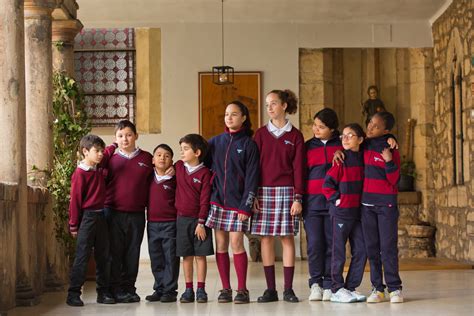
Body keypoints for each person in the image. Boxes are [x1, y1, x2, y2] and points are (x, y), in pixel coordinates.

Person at [251, 89, 305, 303]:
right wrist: (253, 194)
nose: (269, 108)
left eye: (273, 103)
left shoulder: (296, 135)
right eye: (267, 104)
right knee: (265, 239)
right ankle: (270, 290)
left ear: (284, 105)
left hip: (288, 193)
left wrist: (298, 197)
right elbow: (254, 167)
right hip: (263, 192)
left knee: (287, 238)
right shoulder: (260, 135)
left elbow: (299, 169)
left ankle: (288, 290)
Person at [205, 101, 259, 304]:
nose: (229, 118)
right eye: (227, 114)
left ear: (243, 117)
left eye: (234, 114)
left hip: (239, 204)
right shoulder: (215, 142)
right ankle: (225, 288)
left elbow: (253, 177)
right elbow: (199, 163)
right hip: (218, 201)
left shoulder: (249, 144)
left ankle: (242, 289)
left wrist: (246, 205)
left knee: (236, 243)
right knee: (221, 244)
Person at [105, 120, 154, 303]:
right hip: (113, 212)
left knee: (133, 252)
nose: (124, 139)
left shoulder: (147, 159)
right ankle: (116, 288)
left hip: (137, 213)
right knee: (115, 252)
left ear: (136, 136)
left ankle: (129, 288)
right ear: (115, 139)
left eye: (128, 135)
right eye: (120, 136)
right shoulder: (110, 159)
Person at [66, 135, 115, 307]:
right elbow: (75, 201)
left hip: (101, 216)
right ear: (85, 152)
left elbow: (109, 152)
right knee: (82, 257)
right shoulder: (80, 174)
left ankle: (103, 292)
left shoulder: (98, 169)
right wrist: (73, 225)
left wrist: (115, 143)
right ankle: (73, 294)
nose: (101, 154)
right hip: (87, 218)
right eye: (97, 151)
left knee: (104, 256)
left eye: (102, 151)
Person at [360, 111, 403, 303]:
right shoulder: (364, 145)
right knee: (372, 248)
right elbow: (347, 139)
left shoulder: (391, 149)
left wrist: (389, 161)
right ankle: (377, 289)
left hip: (386, 205)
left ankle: (395, 289)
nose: (370, 127)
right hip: (366, 205)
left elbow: (394, 180)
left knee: (387, 248)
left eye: (376, 126)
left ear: (386, 130)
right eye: (370, 122)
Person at [322, 123, 367, 303]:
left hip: (358, 213)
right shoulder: (340, 160)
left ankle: (350, 287)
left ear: (361, 140)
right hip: (341, 213)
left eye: (350, 135)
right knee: (338, 251)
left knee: (362, 250)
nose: (345, 139)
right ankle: (336, 288)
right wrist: (338, 200)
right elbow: (327, 185)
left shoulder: (364, 159)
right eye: (344, 136)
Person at [304, 108, 342, 302]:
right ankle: (316, 284)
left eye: (321, 127)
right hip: (311, 204)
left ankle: (329, 283)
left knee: (332, 244)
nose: (316, 129)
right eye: (315, 125)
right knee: (314, 245)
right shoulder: (307, 146)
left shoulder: (342, 145)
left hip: (334, 203)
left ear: (333, 129)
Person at [175, 134, 214, 303]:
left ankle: (201, 289)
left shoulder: (205, 173)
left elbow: (205, 201)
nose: (182, 153)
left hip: (200, 222)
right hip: (182, 220)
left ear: (197, 152)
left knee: (200, 256)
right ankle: (188, 289)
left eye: (185, 149)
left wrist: (201, 223)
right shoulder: (178, 167)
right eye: (181, 149)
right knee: (187, 256)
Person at [145, 144, 180, 303]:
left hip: (170, 224)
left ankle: (170, 290)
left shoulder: (176, 177)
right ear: (153, 160)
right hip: (152, 223)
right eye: (158, 155)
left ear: (171, 160)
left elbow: (183, 166)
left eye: (166, 156)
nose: (162, 158)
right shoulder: (147, 177)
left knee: (170, 258)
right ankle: (159, 289)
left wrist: (176, 170)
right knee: (156, 258)